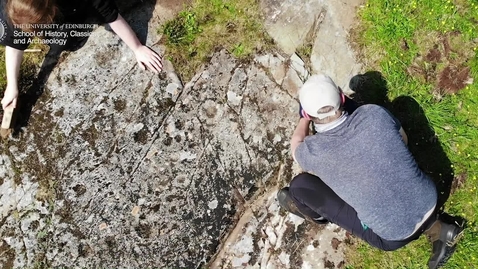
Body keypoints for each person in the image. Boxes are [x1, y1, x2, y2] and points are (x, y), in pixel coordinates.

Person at [278, 74, 462, 269]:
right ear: (341, 98)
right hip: (428, 198)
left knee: (299, 187)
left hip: (393, 236)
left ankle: (319, 216)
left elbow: (296, 145)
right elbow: (403, 140)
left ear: (308, 114)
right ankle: (438, 228)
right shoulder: (374, 114)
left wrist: (303, 120)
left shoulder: (311, 151)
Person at [1, 0, 163, 110]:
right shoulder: (15, 6)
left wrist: (137, 48)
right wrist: (12, 86)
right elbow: (15, 42)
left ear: (53, 11)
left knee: (70, 39)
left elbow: (112, 16)